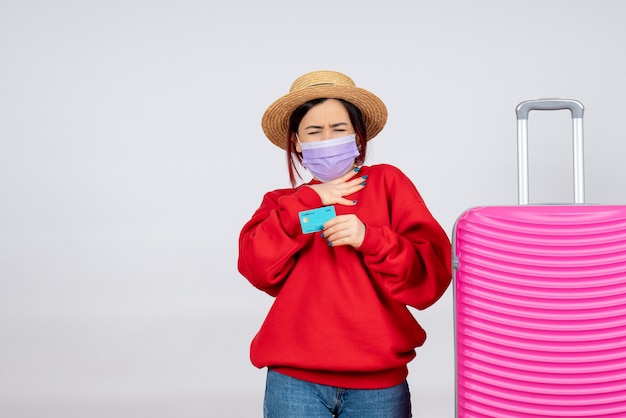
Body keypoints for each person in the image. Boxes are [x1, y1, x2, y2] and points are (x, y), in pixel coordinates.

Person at [237, 70, 452, 418]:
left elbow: (431, 276)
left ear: (357, 135)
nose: (326, 139)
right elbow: (256, 268)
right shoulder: (282, 203)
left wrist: (370, 238)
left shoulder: (388, 184)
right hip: (294, 381)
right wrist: (307, 201)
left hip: (378, 384)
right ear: (296, 140)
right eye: (313, 131)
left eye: (338, 129)